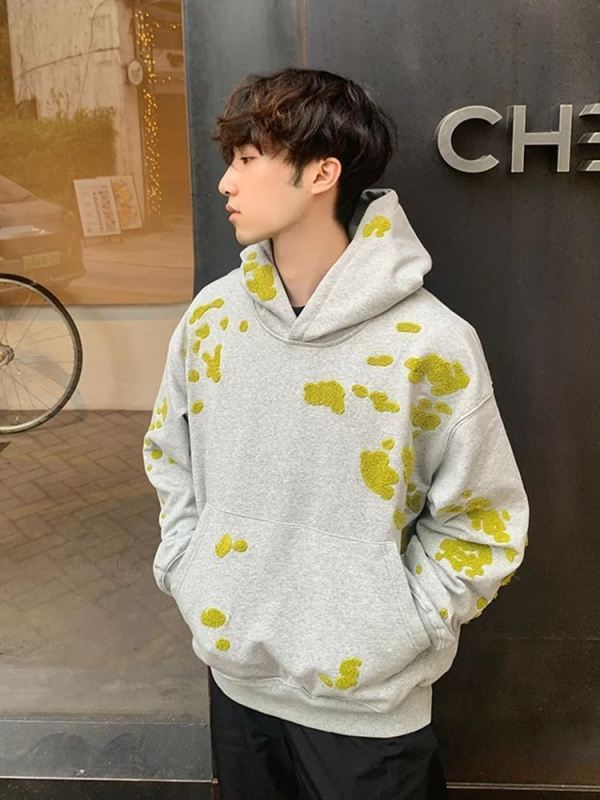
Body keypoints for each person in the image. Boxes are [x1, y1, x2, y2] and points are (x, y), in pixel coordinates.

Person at [142, 67, 529, 799]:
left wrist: (399, 626)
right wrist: (190, 568)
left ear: (322, 173)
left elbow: (484, 520)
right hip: (237, 683)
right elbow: (170, 456)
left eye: (247, 159)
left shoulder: (429, 343)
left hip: (370, 711)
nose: (225, 182)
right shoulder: (211, 321)